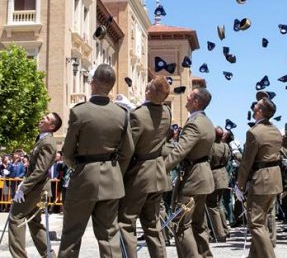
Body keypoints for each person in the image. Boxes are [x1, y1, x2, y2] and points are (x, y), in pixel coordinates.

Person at [59, 64, 135, 258]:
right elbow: (128, 150)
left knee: (72, 235)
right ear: (112, 85)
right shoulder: (122, 113)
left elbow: (67, 151)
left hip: (84, 176)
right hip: (112, 177)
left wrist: (76, 167)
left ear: (92, 83)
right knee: (109, 236)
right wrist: (117, 170)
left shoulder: (79, 111)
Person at [118, 76, 172, 258]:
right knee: (152, 224)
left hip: (139, 174)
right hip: (157, 172)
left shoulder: (137, 115)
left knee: (126, 222)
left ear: (148, 91)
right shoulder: (167, 112)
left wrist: (119, 174)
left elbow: (128, 149)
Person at [164, 87, 216, 257]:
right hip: (203, 176)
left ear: (196, 102)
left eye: (190, 96)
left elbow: (180, 151)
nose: (186, 97)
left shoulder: (194, 123)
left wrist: (161, 169)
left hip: (193, 179)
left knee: (180, 224)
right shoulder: (207, 122)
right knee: (197, 224)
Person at [8, 112, 62, 258]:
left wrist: (23, 187)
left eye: (46, 118)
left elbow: (40, 170)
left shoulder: (48, 143)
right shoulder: (42, 139)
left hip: (36, 189)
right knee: (35, 223)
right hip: (38, 188)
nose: (42, 118)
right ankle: (49, 255)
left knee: (16, 217)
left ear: (52, 126)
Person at [235, 97, 283, 258]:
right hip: (274, 179)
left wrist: (239, 185)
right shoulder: (275, 130)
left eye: (256, 105)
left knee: (255, 223)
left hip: (261, 179)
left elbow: (246, 162)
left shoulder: (254, 132)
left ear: (260, 111)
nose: (253, 106)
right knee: (261, 222)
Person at [206, 126, 232, 243]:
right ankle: (225, 230)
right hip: (223, 174)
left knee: (212, 205)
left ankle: (219, 234)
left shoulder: (211, 146)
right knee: (219, 204)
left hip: (214, 174)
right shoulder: (225, 146)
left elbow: (208, 161)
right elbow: (228, 160)